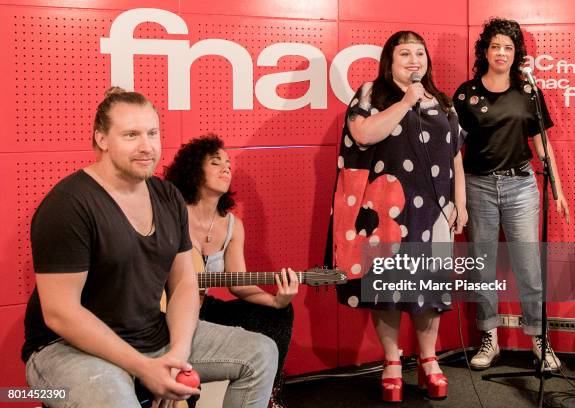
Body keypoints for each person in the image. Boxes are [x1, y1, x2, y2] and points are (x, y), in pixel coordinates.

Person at [21, 88, 278, 408]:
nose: (146, 147)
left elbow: (184, 281)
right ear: (102, 139)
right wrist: (144, 368)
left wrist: (177, 357)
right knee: (115, 397)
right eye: (130, 135)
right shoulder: (69, 205)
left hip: (150, 333)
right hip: (65, 348)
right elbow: (62, 314)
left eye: (152, 133)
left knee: (260, 353)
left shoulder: (167, 197)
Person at [326, 31, 467, 402]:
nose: (414, 60)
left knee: (430, 289)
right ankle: (391, 362)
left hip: (435, 214)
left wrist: (461, 203)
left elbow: (455, 157)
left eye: (420, 53)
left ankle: (429, 360)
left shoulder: (444, 102)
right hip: (387, 211)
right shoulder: (371, 93)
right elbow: (362, 134)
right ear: (390, 61)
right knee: (388, 289)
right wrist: (406, 101)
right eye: (405, 53)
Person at [452, 18, 571, 371]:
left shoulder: (529, 92)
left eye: (508, 47)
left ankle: (539, 338)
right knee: (482, 267)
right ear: (484, 51)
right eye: (495, 46)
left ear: (516, 53)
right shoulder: (465, 93)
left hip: (521, 186)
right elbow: (454, 150)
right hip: (478, 187)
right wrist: (457, 199)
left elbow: (542, 144)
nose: (501, 53)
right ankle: (489, 339)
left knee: (528, 268)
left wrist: (558, 191)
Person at [164, 135, 299, 408]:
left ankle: (270, 394)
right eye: (216, 163)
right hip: (168, 310)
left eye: (228, 163)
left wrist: (276, 300)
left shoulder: (232, 225)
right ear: (193, 171)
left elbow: (238, 283)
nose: (226, 168)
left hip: (204, 308)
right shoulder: (171, 213)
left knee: (280, 313)